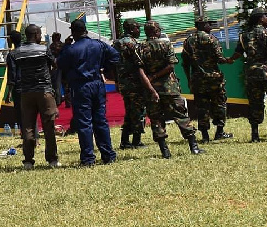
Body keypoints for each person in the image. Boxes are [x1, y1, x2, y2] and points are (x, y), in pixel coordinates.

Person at [57, 19, 119, 166]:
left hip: (80, 86)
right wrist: (104, 67)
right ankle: (108, 155)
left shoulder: (71, 49)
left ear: (74, 32)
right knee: (100, 121)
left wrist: (65, 46)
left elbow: (59, 63)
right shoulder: (99, 44)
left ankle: (88, 158)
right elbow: (115, 56)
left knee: (84, 123)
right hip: (97, 83)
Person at [139, 21, 204, 159]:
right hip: (170, 88)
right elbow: (171, 66)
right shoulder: (166, 44)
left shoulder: (140, 48)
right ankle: (194, 147)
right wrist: (157, 75)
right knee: (181, 115)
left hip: (151, 89)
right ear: (157, 31)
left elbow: (140, 70)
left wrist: (151, 80)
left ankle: (165, 151)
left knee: (156, 119)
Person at [230, 7, 267, 141]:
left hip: (252, 74)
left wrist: (228, 60)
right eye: (266, 16)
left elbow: (238, 53)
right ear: (260, 18)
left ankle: (255, 135)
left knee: (254, 103)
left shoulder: (244, 35)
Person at [9, 25, 60, 169]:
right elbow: (54, 64)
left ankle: (28, 160)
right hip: (44, 91)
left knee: (28, 127)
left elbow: (13, 72)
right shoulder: (44, 49)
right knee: (48, 125)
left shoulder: (16, 53)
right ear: (36, 34)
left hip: (25, 93)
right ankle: (52, 159)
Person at [181, 16, 234, 142]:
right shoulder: (211, 39)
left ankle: (205, 136)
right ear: (203, 25)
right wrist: (229, 60)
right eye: (208, 24)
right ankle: (219, 132)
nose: (210, 26)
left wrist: (189, 80)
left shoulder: (188, 41)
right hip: (214, 79)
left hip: (197, 80)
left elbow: (185, 63)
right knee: (219, 104)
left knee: (201, 107)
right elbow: (219, 58)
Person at [112, 19, 147, 149]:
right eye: (137, 28)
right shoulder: (133, 43)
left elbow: (113, 64)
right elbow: (140, 64)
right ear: (131, 29)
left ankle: (125, 140)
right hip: (135, 82)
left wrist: (116, 81)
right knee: (138, 111)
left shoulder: (116, 43)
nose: (139, 30)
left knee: (129, 110)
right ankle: (136, 140)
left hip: (123, 82)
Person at [5, 30, 23, 133]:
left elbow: (12, 73)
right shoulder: (26, 51)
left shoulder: (12, 55)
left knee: (20, 112)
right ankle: (35, 137)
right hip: (30, 85)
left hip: (19, 87)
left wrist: (9, 92)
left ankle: (25, 135)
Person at [49, 32, 64, 106]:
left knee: (56, 85)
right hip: (64, 66)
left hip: (56, 66)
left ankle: (58, 100)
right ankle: (68, 101)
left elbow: (51, 58)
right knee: (66, 85)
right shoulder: (63, 45)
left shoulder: (52, 46)